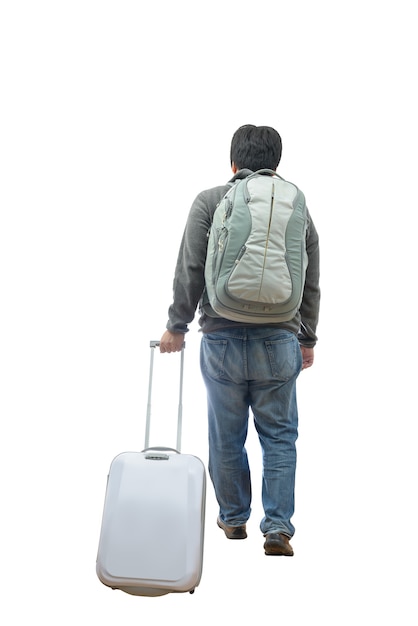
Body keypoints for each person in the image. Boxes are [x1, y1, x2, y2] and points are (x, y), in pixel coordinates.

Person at [159, 124, 320, 556]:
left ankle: (233, 519)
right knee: (280, 437)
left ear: (233, 162)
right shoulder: (296, 206)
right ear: (276, 164)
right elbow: (310, 281)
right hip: (279, 341)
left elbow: (190, 267)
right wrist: (308, 340)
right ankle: (278, 528)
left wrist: (177, 325)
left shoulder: (211, 200)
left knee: (225, 435)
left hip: (221, 339)